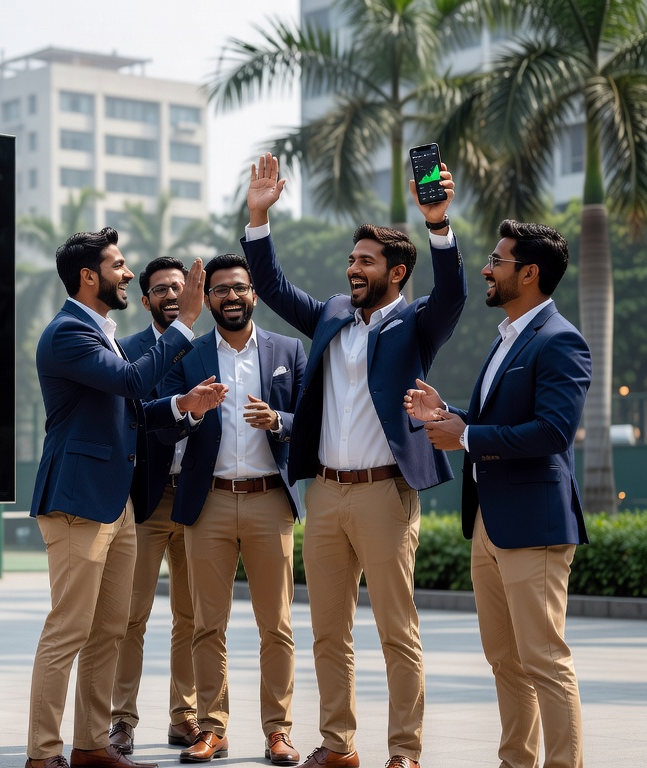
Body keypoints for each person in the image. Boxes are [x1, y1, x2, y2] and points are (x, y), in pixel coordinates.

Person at [241, 153, 467, 768]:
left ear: (396, 272)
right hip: (325, 496)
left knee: (398, 633)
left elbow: (453, 293)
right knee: (327, 635)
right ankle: (338, 746)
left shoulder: (417, 324)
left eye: (365, 261)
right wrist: (259, 219)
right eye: (351, 260)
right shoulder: (335, 315)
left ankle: (404, 753)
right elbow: (278, 290)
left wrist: (439, 225)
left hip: (384, 496)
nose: (353, 268)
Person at [27, 227, 227, 768]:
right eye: (118, 265)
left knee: (109, 629)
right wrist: (186, 320)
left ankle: (91, 746)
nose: (126, 272)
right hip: (77, 500)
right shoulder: (69, 333)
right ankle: (43, 755)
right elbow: (136, 382)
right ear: (89, 276)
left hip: (116, 504)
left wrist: (183, 404)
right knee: (68, 629)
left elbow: (134, 411)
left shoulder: (101, 332)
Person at [404, 220, 590, 768]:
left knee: (544, 660)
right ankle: (517, 762)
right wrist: (451, 415)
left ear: (528, 274)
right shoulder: (508, 336)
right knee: (505, 661)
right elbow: (498, 421)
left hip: (534, 525)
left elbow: (553, 432)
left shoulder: (561, 341)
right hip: (489, 522)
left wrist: (465, 436)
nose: (486, 269)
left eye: (497, 261)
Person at [152, 252, 307, 766]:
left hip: (269, 502)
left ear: (254, 294)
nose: (232, 297)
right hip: (209, 502)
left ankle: (278, 732)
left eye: (239, 288)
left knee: (276, 627)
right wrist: (191, 410)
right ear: (210, 298)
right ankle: (212, 730)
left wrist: (279, 420)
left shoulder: (289, 350)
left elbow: (316, 419)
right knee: (206, 626)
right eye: (220, 290)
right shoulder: (189, 356)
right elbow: (162, 420)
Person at [109, 257, 202, 756]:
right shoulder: (128, 351)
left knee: (193, 617)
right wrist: (183, 410)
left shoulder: (211, 348)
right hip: (145, 499)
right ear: (145, 300)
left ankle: (185, 717)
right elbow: (136, 418)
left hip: (198, 499)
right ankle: (121, 720)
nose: (171, 294)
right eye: (161, 289)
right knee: (131, 617)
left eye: (179, 287)